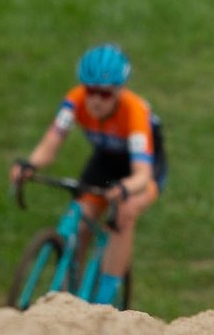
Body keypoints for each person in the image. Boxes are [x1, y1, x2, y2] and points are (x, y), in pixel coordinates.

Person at [9, 43, 160, 308]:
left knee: (124, 212)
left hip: (142, 168)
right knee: (79, 222)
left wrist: (125, 190)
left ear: (119, 91)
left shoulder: (135, 112)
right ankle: (67, 299)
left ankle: (105, 302)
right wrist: (29, 165)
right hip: (104, 163)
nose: (95, 100)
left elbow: (142, 175)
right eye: (90, 91)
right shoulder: (74, 101)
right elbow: (50, 145)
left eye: (104, 93)